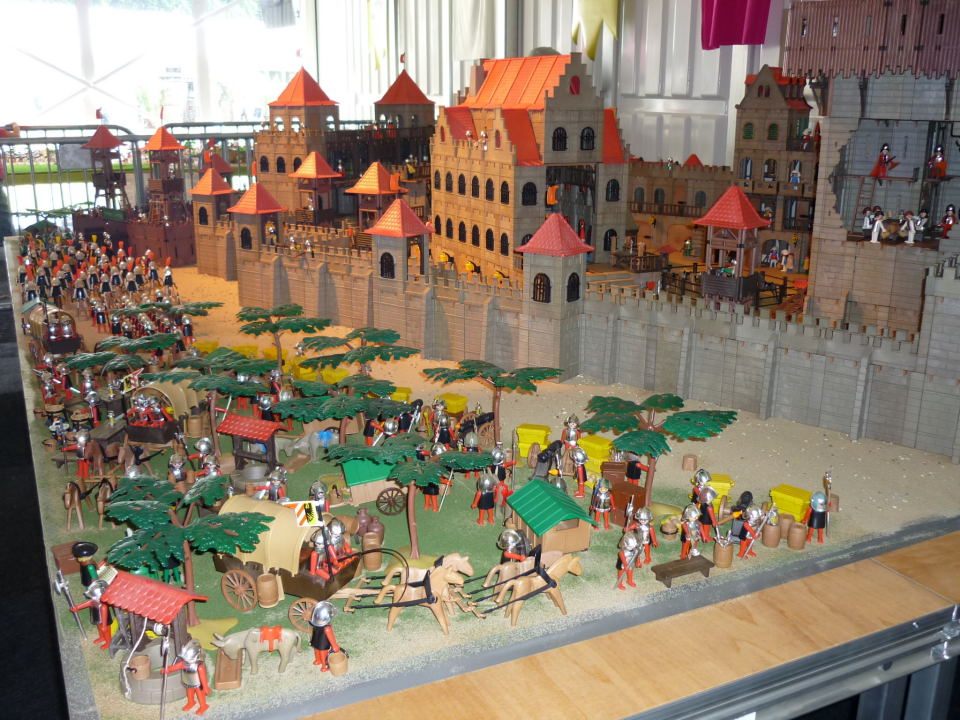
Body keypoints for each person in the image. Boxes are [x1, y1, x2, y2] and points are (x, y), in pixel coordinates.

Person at [161, 640, 210, 715]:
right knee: (189, 693)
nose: (186, 661)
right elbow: (176, 666)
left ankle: (203, 705)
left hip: (198, 684)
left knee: (200, 694)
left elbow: (203, 678)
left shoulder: (199, 666)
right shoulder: (184, 663)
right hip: (188, 682)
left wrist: (205, 687)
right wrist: (168, 670)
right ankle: (191, 702)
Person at [308, 601, 342, 672]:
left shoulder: (314, 623)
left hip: (315, 640)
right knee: (323, 654)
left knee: (316, 650)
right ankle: (324, 666)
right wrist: (334, 646)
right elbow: (331, 638)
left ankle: (318, 660)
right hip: (323, 643)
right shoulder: (327, 628)